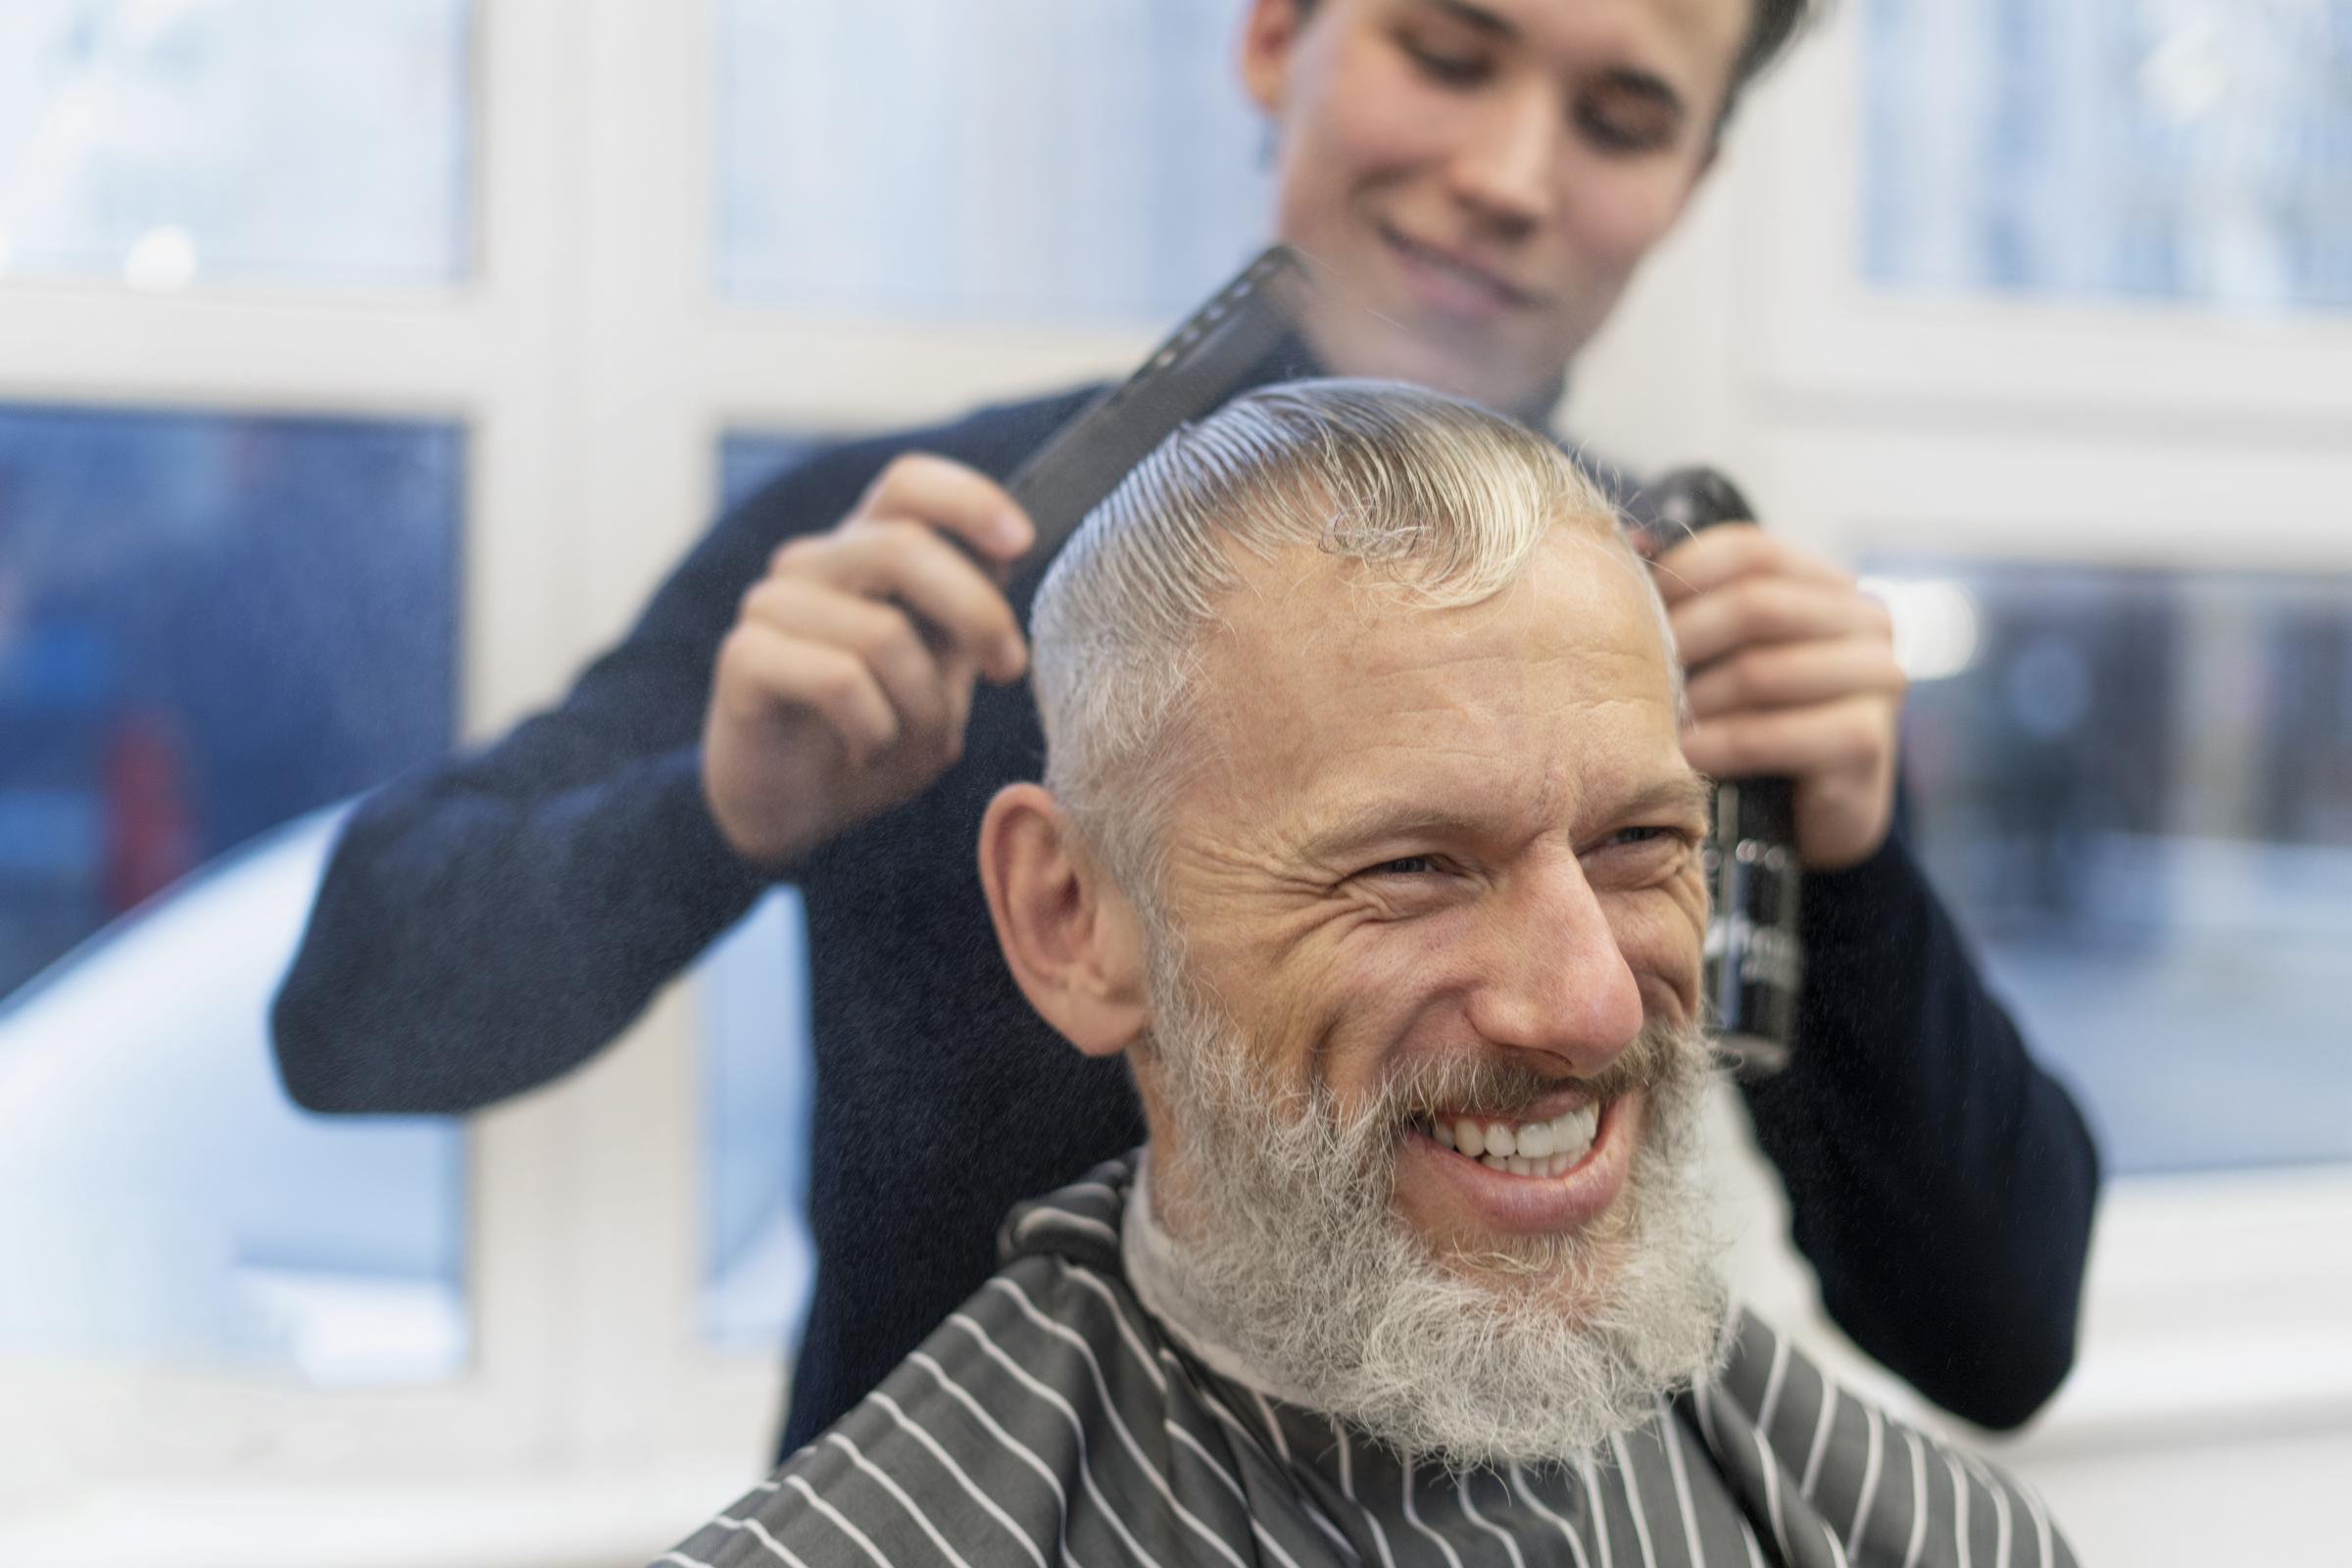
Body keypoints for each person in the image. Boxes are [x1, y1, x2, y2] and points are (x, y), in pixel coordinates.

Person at [273, 0, 2099, 1451]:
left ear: (1696, 175)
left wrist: (1848, 871)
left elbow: (1997, 1334)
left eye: (1620, 119)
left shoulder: (1678, 635)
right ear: (1272, 31)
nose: (1508, 174)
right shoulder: (920, 560)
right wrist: (716, 810)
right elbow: (350, 1019)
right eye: (1445, 51)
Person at [653, 381, 2079, 1568]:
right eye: (1410, 868)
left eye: (1642, 841)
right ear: (1074, 916)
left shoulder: (1919, 1534)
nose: (1587, 1005)